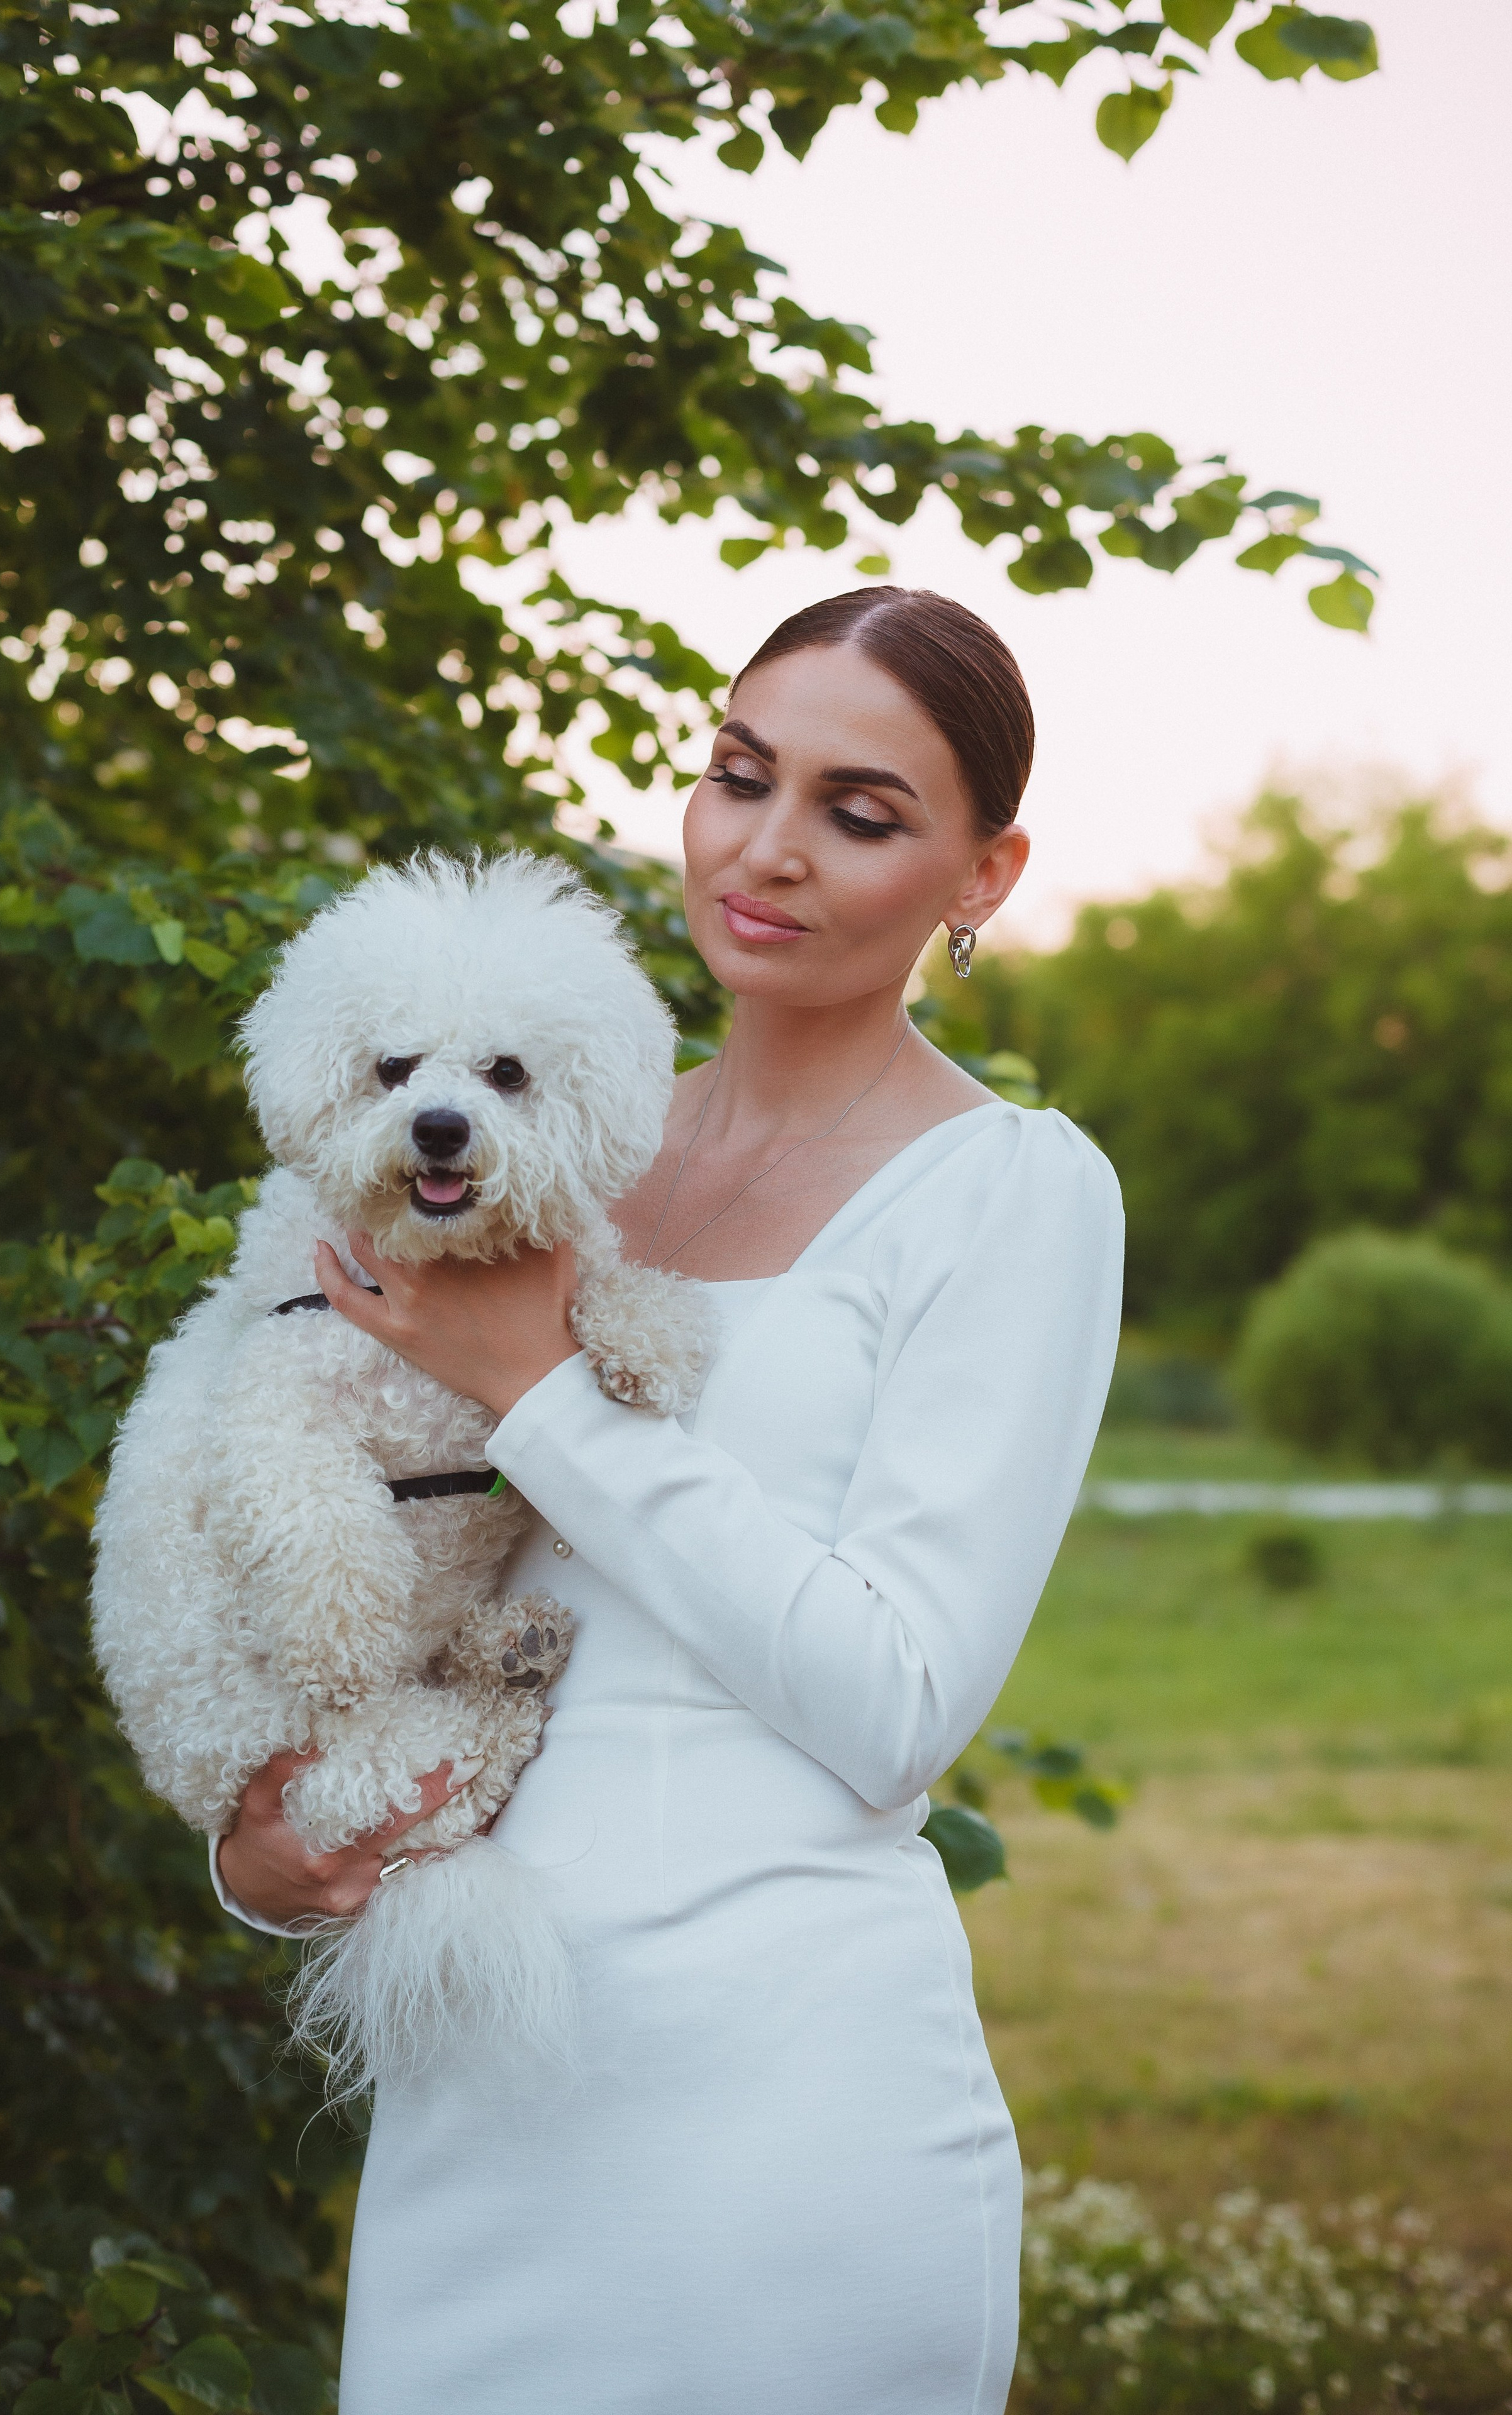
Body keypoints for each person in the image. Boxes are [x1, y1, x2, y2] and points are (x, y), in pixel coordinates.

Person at [214, 586, 1124, 2414]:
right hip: (482, 2091)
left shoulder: (1010, 1193)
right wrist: (259, 1851)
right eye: (737, 776)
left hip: (781, 2121)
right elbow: (332, 1540)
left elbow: (895, 1705)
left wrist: (538, 1391)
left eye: (861, 814)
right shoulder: (532, 1132)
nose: (766, 851)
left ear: (983, 874)